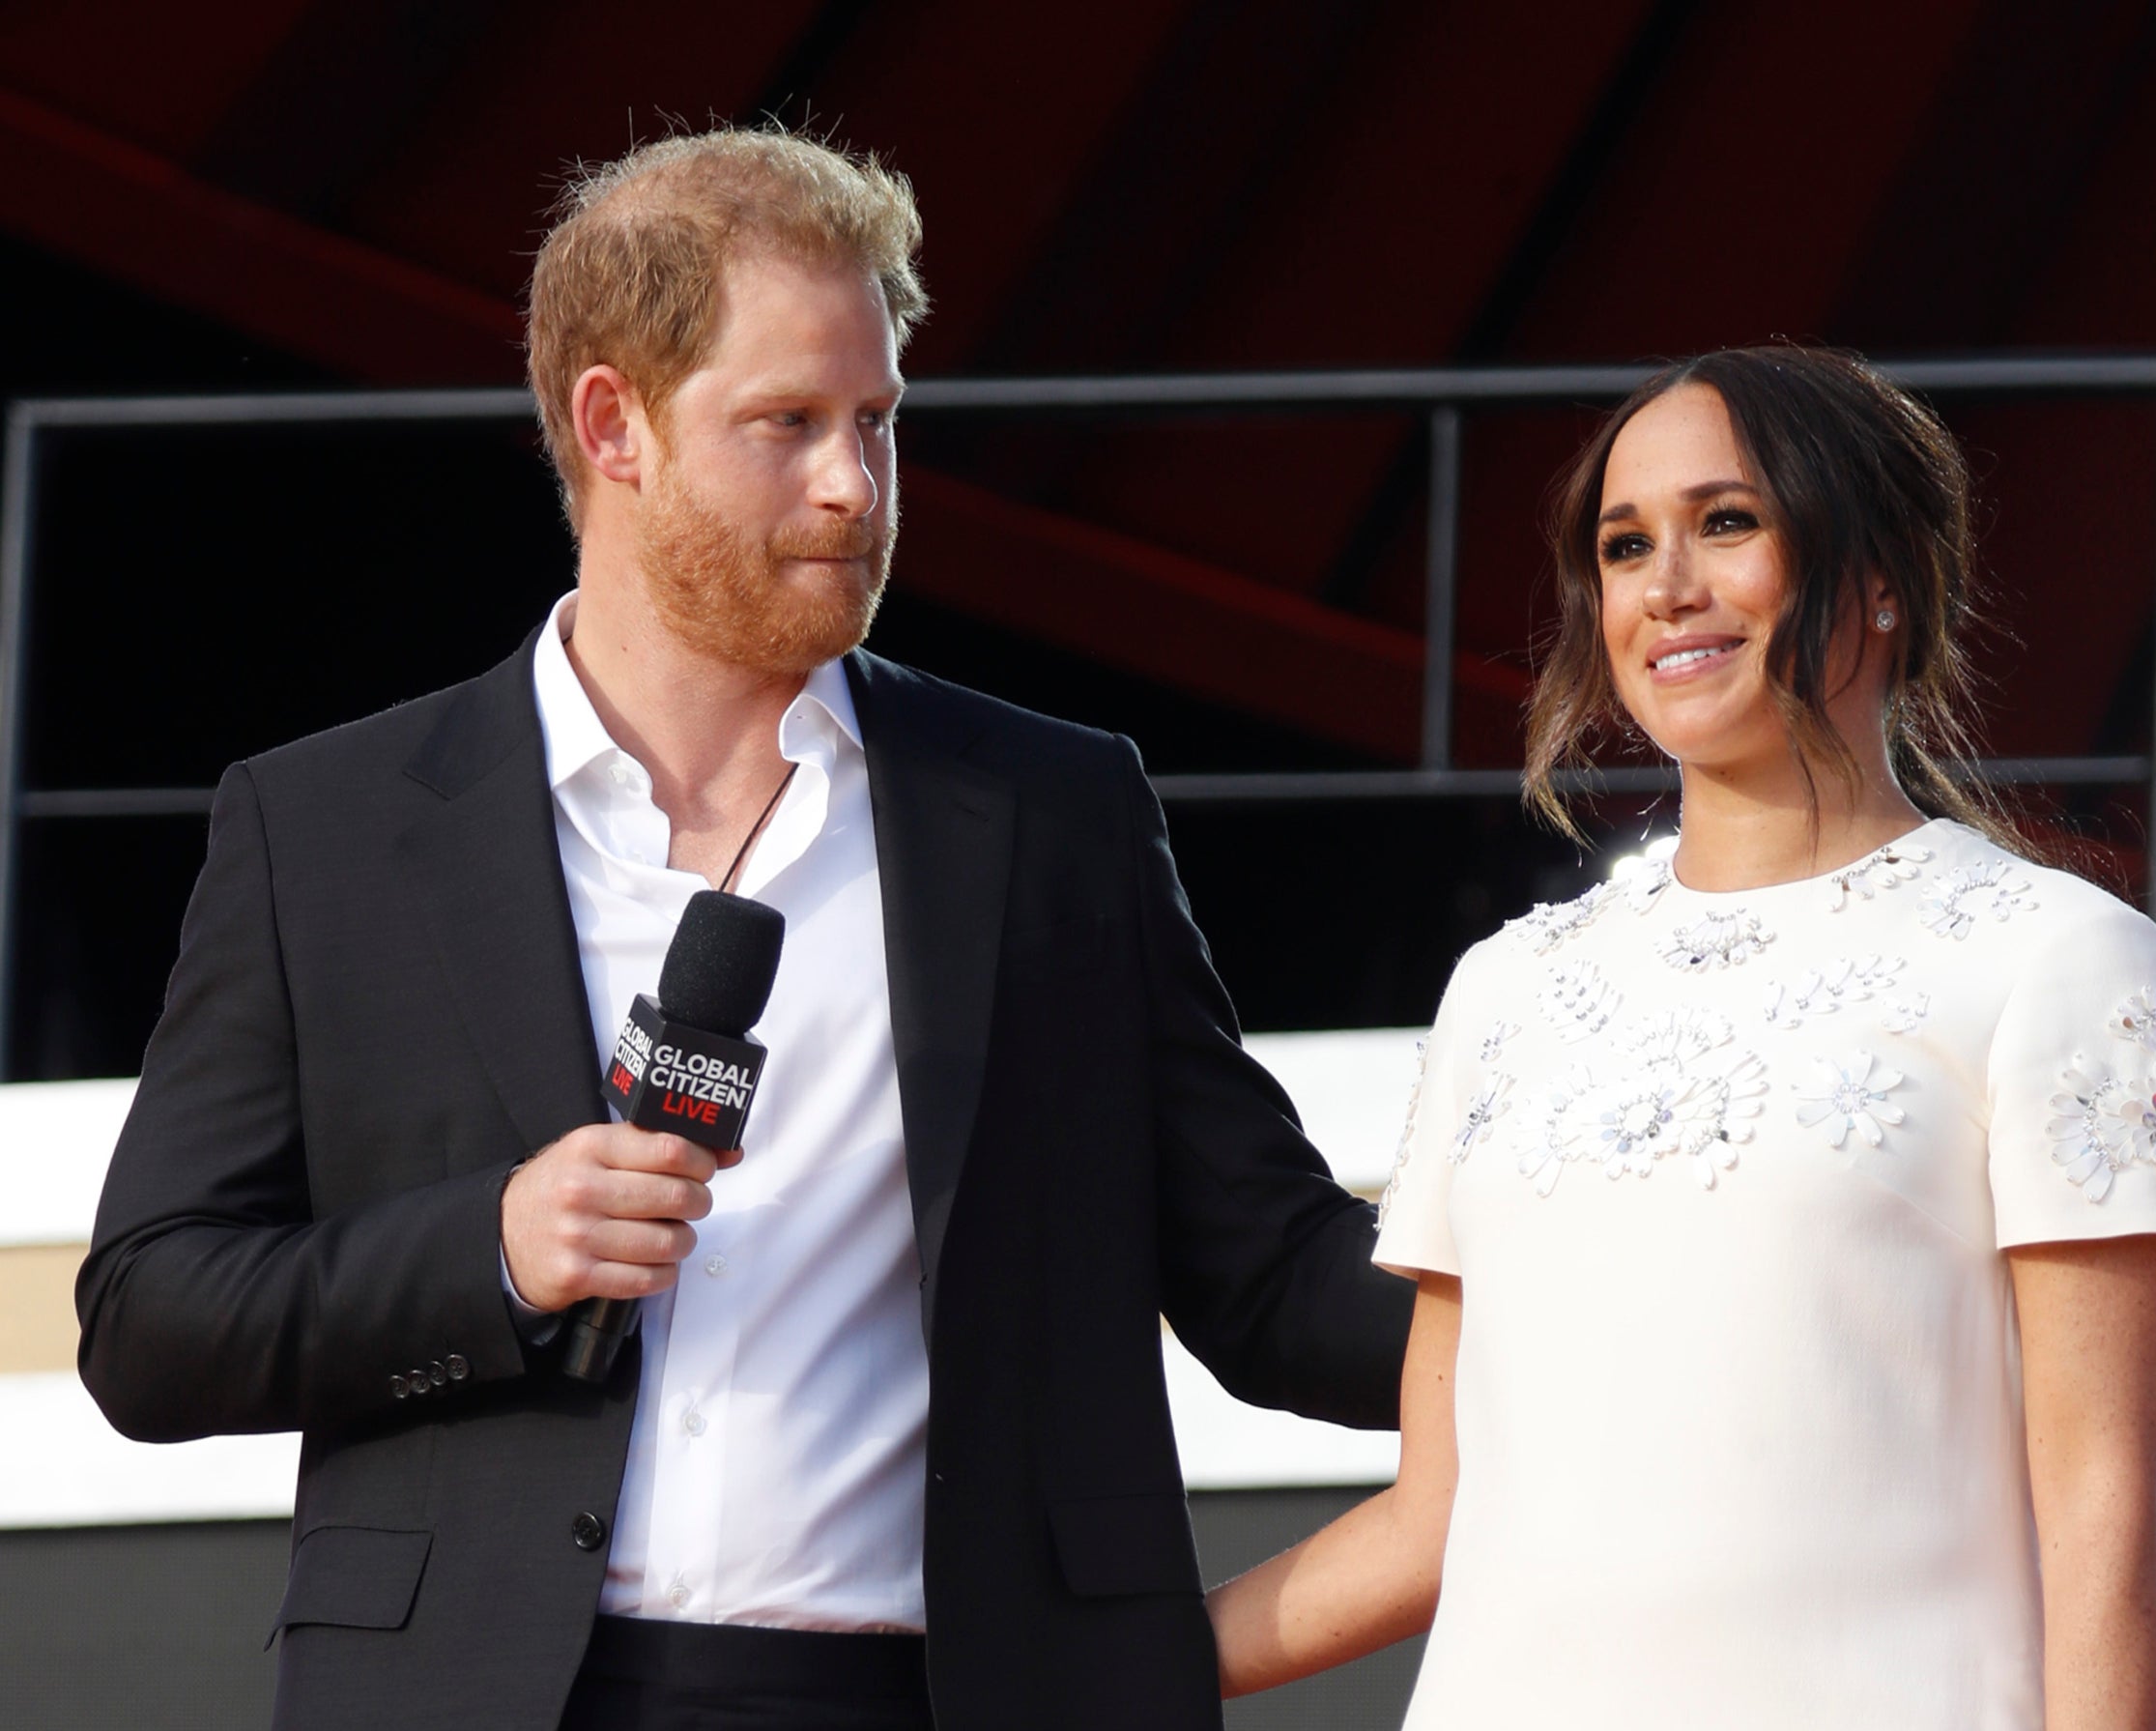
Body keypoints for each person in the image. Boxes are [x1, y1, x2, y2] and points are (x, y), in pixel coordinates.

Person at [76, 126, 1412, 1731]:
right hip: (481, 1696)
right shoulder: (331, 829)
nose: (855, 483)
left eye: (878, 422)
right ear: (611, 423)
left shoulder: (1053, 812)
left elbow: (1269, 1276)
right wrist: (489, 1251)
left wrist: (1601, 1286)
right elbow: (148, 1322)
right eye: (786, 423)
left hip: (937, 1695)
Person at [1206, 344, 2156, 1730]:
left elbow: (2110, 1521)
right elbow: (1436, 1517)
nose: (1667, 586)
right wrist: (1079, 1662)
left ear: (1883, 575)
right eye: (1627, 546)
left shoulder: (2052, 957)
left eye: (1728, 522)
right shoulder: (1508, 990)